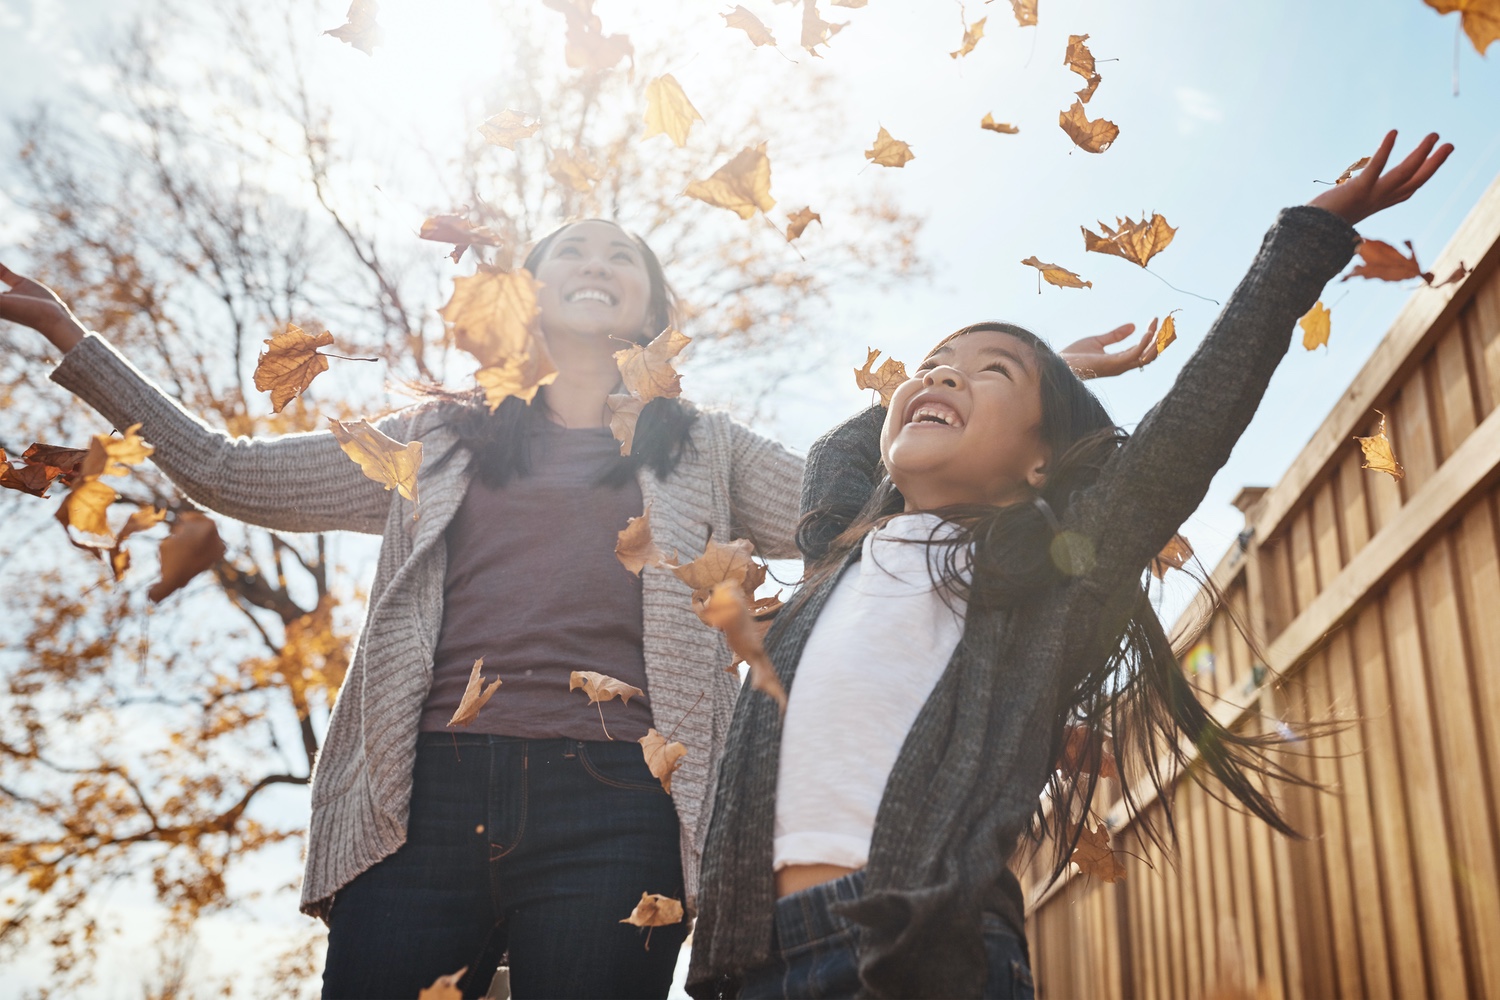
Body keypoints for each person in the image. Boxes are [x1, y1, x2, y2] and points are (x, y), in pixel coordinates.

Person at [1, 217, 1157, 998]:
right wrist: (74, 341)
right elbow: (226, 471)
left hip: (620, 815)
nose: (596, 261)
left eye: (623, 255)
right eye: (570, 251)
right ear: (529, 294)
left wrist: (1035, 392)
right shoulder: (438, 435)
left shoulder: (700, 447)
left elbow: (861, 512)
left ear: (650, 302)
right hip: (419, 805)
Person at [687, 130, 1451, 1000]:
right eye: (933, 365)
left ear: (1042, 464)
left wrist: (1304, 241)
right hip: (744, 961)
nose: (941, 375)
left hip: (921, 948)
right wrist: (1033, 374)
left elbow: (1186, 431)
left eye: (989, 372)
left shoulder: (1034, 577)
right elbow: (843, 445)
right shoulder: (839, 545)